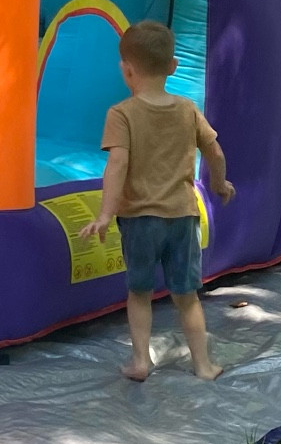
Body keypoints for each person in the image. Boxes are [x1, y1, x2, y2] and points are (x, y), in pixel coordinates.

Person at [78, 19, 235, 382]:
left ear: (126, 69)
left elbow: (117, 165)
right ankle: (203, 365)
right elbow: (215, 151)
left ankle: (140, 362)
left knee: (140, 293)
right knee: (187, 296)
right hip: (182, 217)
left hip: (140, 221)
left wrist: (104, 214)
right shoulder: (187, 110)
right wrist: (221, 184)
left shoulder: (122, 115)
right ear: (172, 67)